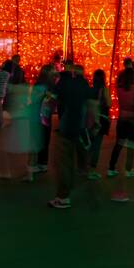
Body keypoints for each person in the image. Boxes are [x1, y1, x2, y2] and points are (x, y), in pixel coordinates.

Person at [48, 61, 91, 209]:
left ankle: (63, 197)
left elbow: (51, 100)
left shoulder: (64, 83)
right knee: (71, 159)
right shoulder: (84, 85)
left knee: (63, 161)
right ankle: (69, 189)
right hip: (78, 126)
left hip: (66, 126)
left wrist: (45, 114)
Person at [108, 59, 134, 184]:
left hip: (122, 118)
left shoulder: (119, 88)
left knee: (119, 143)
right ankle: (128, 169)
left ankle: (111, 167)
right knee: (131, 145)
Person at [87, 69, 112, 179]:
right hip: (101, 119)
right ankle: (91, 170)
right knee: (96, 145)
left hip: (91, 119)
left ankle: (85, 167)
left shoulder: (91, 90)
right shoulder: (104, 90)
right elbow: (109, 103)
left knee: (90, 144)